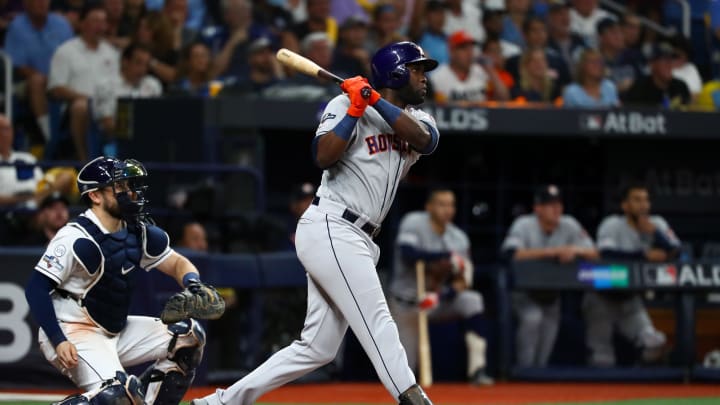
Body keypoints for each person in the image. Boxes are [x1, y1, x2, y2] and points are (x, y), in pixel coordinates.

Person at [193, 40, 440, 405]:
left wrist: (371, 99)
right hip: (332, 226)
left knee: (317, 348)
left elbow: (424, 141)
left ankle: (219, 402)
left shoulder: (420, 119)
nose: (424, 78)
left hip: (361, 236)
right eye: (417, 69)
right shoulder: (343, 104)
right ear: (397, 72)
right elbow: (323, 156)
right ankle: (413, 398)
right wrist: (356, 107)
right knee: (377, 321)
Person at [23, 156, 218, 403]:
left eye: (128, 186)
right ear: (95, 196)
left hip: (113, 328)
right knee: (120, 395)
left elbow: (178, 263)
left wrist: (193, 284)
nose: (130, 193)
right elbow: (36, 288)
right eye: (120, 187)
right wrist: (58, 340)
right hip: (72, 330)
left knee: (188, 337)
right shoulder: (75, 237)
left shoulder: (135, 231)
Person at [390, 188, 494, 386]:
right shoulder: (414, 222)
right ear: (429, 207)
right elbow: (407, 252)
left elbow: (465, 281)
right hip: (407, 304)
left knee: (473, 300)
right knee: (404, 372)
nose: (447, 209)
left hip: (436, 301)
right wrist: (443, 257)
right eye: (441, 204)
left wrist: (442, 295)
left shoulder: (458, 238)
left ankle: (477, 370)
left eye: (451, 204)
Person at [501, 184, 598, 367]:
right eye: (549, 204)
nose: (556, 209)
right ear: (537, 208)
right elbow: (510, 253)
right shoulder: (524, 224)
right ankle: (523, 375)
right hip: (525, 294)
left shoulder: (569, 224)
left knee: (545, 347)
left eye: (558, 204)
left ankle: (537, 381)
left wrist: (574, 250)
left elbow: (595, 253)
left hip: (552, 296)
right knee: (532, 319)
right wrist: (552, 252)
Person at [584, 182, 678, 367]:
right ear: (625, 205)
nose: (643, 205)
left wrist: (656, 235)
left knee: (654, 344)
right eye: (636, 200)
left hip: (630, 300)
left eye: (645, 200)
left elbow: (676, 251)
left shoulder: (656, 224)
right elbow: (606, 253)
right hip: (602, 296)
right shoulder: (612, 224)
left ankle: (640, 376)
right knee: (601, 359)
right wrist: (643, 255)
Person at [48, 3, 119, 160]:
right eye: (95, 21)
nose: (100, 26)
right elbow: (56, 88)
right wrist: (87, 99)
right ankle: (85, 162)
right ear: (82, 23)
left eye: (103, 21)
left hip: (108, 107)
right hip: (77, 109)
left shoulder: (112, 53)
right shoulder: (66, 51)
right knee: (81, 107)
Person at [4, 0, 74, 143]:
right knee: (37, 81)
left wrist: (56, 80)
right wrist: (48, 80)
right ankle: (49, 135)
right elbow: (18, 65)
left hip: (62, 78)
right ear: (26, 4)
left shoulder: (62, 24)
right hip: (24, 82)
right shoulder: (17, 26)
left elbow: (73, 53)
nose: (42, 3)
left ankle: (64, 132)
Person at [0, 114, 74, 208]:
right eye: (0, 129)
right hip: (9, 209)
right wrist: (22, 201)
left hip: (38, 204)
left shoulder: (27, 158)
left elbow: (42, 184)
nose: (4, 133)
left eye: (7, 129)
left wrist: (37, 198)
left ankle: (33, 204)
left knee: (66, 176)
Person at [92, 43, 163, 134]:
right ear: (125, 62)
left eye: (146, 65)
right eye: (138, 63)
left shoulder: (153, 85)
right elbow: (107, 124)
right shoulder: (105, 86)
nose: (142, 69)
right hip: (117, 140)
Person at [430, 30, 509, 105]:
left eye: (471, 48)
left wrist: (491, 71)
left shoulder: (482, 72)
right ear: (451, 52)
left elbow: (504, 99)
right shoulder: (438, 77)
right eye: (463, 48)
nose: (469, 53)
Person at [622, 42, 691, 109]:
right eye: (664, 60)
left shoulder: (680, 87)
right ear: (652, 64)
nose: (669, 64)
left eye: (670, 60)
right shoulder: (640, 88)